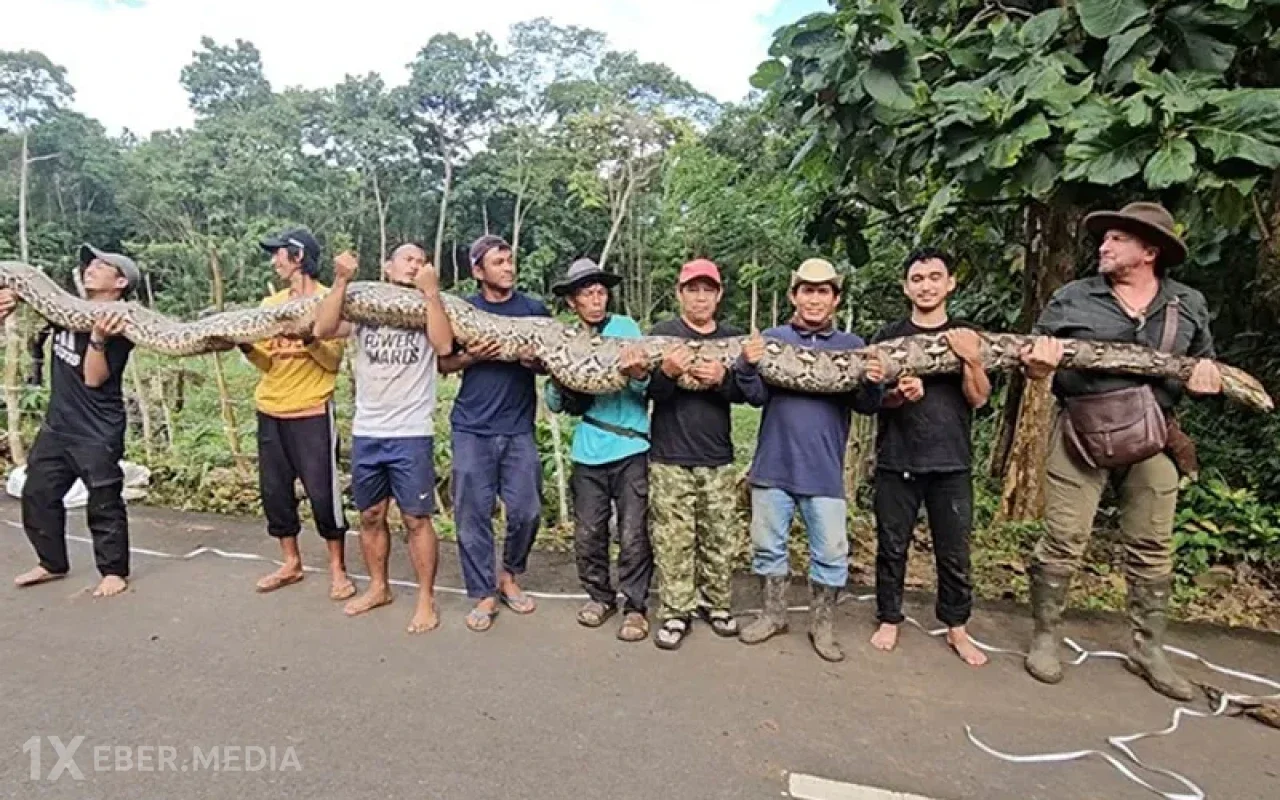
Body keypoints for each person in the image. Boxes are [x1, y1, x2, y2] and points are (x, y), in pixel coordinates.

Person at [1020, 202, 1221, 700]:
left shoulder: (1186, 304)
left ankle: (1148, 648)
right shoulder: (1073, 298)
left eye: (1116, 240)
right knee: (1064, 536)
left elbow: (1206, 366)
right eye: (1104, 239)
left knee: (1153, 544)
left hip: (1153, 434)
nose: (1104, 248)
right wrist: (1038, 366)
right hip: (1081, 431)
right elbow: (1032, 359)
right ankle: (1045, 636)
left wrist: (1205, 377)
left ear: (1149, 251)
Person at [735, 258, 884, 662]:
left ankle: (823, 625)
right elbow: (754, 396)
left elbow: (867, 406)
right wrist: (747, 364)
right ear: (794, 295)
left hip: (823, 470)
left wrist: (874, 381)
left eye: (823, 291)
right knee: (768, 546)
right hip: (774, 464)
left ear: (835, 299)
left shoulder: (853, 347)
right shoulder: (772, 339)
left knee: (832, 553)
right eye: (807, 290)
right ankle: (773, 615)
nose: (814, 298)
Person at [311, 244, 453, 634]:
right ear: (387, 268)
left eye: (420, 260)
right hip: (368, 431)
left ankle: (426, 598)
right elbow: (322, 328)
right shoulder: (365, 308)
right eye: (407, 259)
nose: (414, 264)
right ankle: (379, 587)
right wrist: (341, 280)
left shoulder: (430, 305)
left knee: (416, 518)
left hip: (411, 432)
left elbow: (443, 346)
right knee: (371, 515)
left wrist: (431, 293)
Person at [867, 248, 991, 667]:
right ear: (906, 286)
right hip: (896, 457)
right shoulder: (888, 336)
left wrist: (971, 358)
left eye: (934, 277)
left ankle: (957, 627)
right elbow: (869, 401)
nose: (926, 285)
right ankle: (888, 618)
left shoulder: (967, 334)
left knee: (954, 551)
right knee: (891, 546)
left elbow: (978, 397)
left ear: (950, 283)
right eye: (917, 279)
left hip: (951, 460)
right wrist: (897, 395)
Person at [5, 244, 140, 597]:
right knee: (38, 492)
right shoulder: (64, 309)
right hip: (58, 423)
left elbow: (94, 379)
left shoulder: (123, 323)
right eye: (88, 264)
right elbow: (22, 303)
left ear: (121, 281)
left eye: (100, 265)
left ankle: (113, 571)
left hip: (97, 429)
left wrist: (97, 337)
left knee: (103, 499)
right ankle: (51, 562)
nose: (89, 268)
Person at [438, 235, 549, 633]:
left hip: (518, 427)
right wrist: (474, 356)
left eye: (509, 260)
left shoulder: (533, 310)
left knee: (526, 510)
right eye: (498, 262)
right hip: (472, 427)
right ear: (478, 271)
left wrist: (531, 360)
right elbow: (444, 363)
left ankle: (509, 574)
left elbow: (549, 364)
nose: (508, 267)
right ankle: (483, 592)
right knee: (472, 515)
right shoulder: (463, 309)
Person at [544, 258, 654, 642]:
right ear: (572, 302)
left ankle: (636, 606)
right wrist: (559, 376)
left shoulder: (626, 330)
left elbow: (645, 388)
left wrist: (638, 373)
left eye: (600, 292)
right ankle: (598, 596)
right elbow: (554, 403)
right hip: (588, 450)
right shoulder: (563, 337)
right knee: (589, 532)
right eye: (587, 294)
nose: (596, 299)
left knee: (634, 532)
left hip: (631, 447)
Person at [239, 228, 352, 601]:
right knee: (275, 493)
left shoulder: (329, 301)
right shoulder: (270, 305)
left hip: (313, 411)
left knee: (323, 495)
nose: (275, 261)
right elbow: (267, 362)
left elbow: (333, 362)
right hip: (270, 409)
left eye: (279, 254)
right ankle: (290, 562)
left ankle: (338, 569)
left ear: (298, 256)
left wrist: (308, 337)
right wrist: (244, 346)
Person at [647, 259, 750, 650]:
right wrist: (670, 373)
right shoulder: (662, 335)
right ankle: (675, 612)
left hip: (717, 455)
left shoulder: (733, 340)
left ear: (719, 295)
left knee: (719, 536)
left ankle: (717, 604)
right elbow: (650, 393)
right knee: (674, 540)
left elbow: (747, 394)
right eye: (693, 289)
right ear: (680, 293)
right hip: (670, 455)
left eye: (708, 290)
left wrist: (723, 380)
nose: (701, 297)